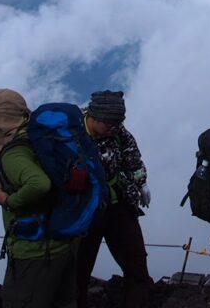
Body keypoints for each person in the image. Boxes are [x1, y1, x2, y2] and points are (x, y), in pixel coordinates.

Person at [0, 89, 77, 308]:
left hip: (34, 251)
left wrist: (8, 201)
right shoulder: (38, 139)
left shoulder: (13, 154)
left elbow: (40, 184)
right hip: (62, 242)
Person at [75, 91, 153, 308]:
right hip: (84, 210)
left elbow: (131, 155)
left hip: (118, 205)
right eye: (109, 123)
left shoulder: (117, 130)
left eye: (118, 122)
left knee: (136, 265)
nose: (114, 127)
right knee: (78, 270)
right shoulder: (72, 133)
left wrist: (141, 182)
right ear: (94, 116)